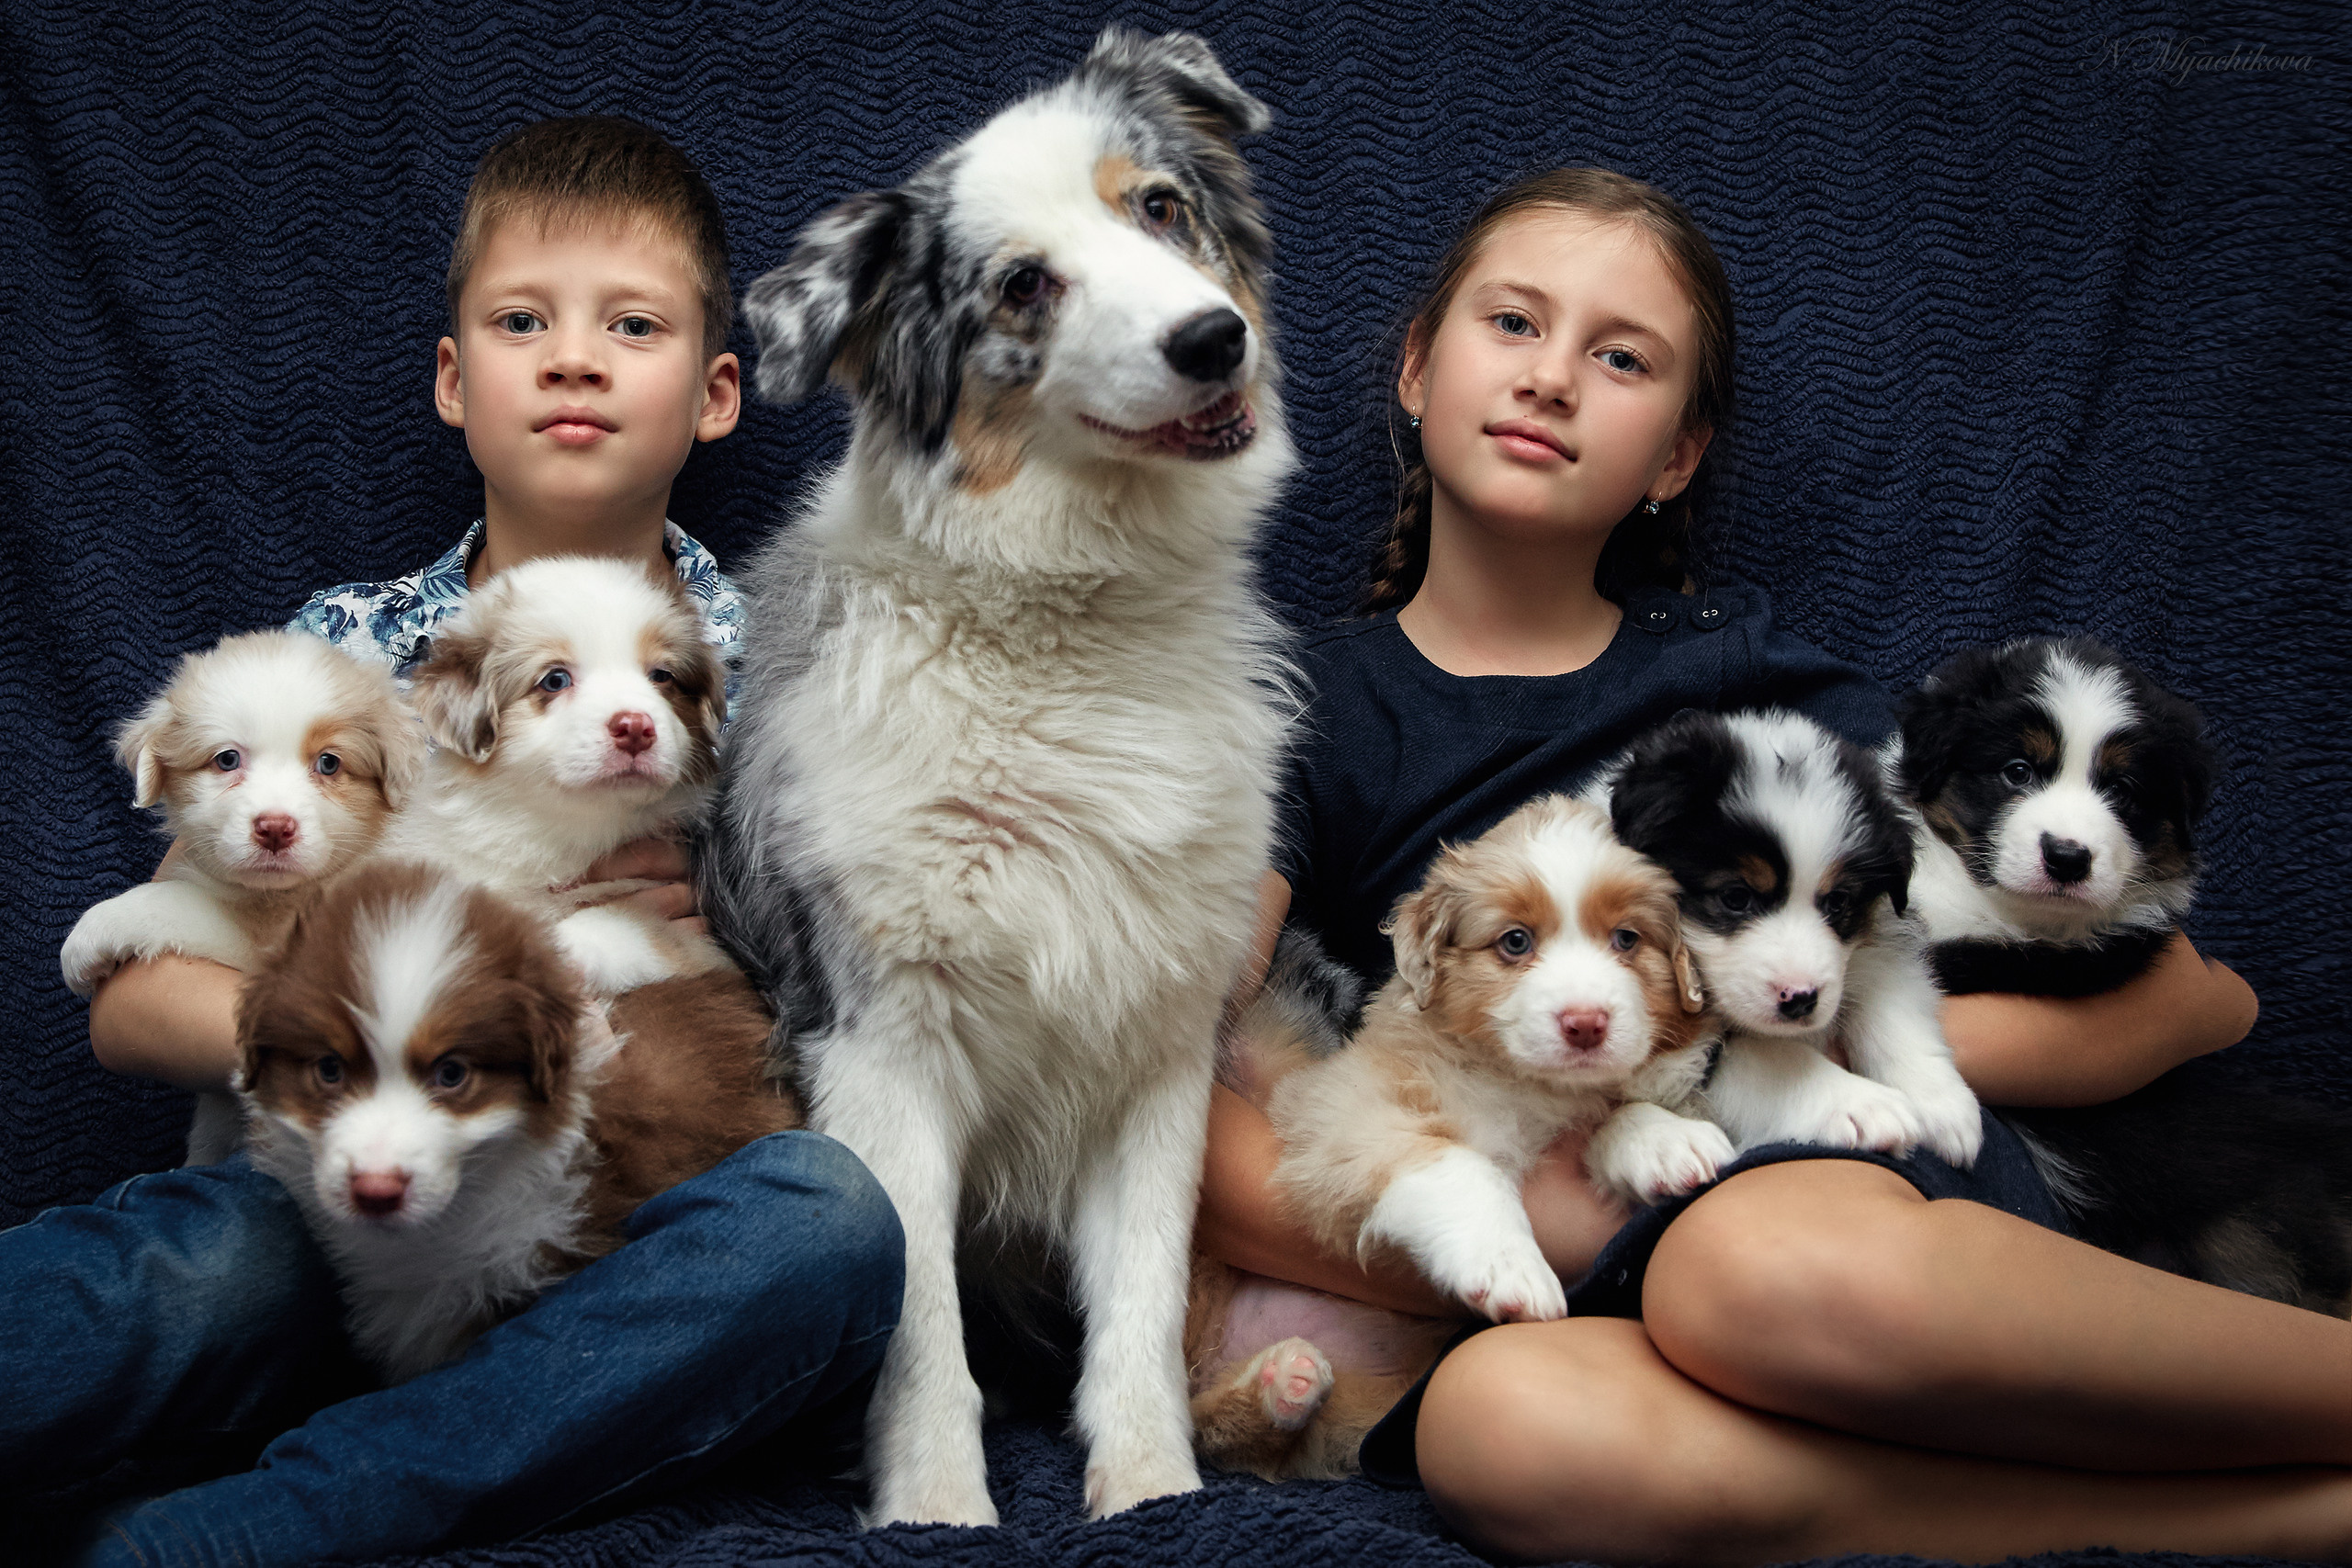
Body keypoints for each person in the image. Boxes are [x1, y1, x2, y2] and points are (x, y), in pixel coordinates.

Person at [1193, 167, 2352, 1566]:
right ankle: (2289, 1518)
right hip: (1526, 1243)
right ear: (1416, 367)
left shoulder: (1754, 689)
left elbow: (2169, 997)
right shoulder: (1297, 705)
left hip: (1830, 1204)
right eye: (1513, 325)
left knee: (1755, 1269)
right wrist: (1521, 1219)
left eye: (1621, 358)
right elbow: (1168, 1066)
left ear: (1677, 454)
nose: (1554, 378)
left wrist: (1782, 1071)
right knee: (1501, 1433)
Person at [18, 117, 902, 1568]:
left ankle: (246, 1531)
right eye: (519, 321)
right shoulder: (345, 661)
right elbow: (134, 996)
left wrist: (734, 913)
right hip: (338, 1199)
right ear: (453, 377)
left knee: (828, 1224)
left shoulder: (796, 669)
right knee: (203, 1261)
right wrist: (378, 1052)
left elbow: (881, 1002)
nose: (572, 357)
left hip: (626, 1245)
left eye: (632, 323)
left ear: (718, 390)